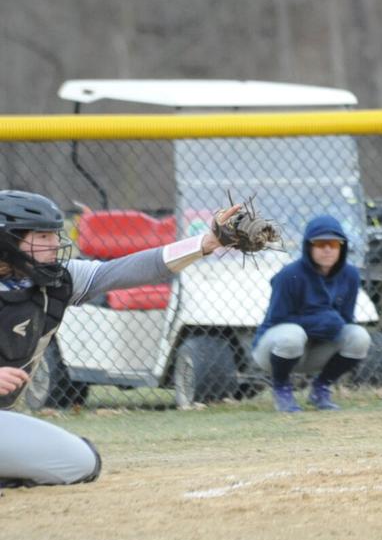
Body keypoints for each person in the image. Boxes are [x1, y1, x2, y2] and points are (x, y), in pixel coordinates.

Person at [0, 190, 240, 487]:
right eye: (43, 237)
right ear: (7, 241)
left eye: (54, 235)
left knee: (81, 464)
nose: (56, 244)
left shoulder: (57, 281)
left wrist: (204, 244)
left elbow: (122, 270)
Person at [252, 215, 371, 412]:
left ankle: (320, 388)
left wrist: (330, 323)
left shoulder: (350, 275)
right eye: (320, 243)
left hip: (315, 351)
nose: (327, 249)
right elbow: (276, 320)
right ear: (309, 246)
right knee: (292, 335)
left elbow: (346, 320)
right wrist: (317, 320)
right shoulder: (289, 275)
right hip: (274, 350)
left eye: (334, 243)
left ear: (342, 247)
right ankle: (281, 388)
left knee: (359, 336)